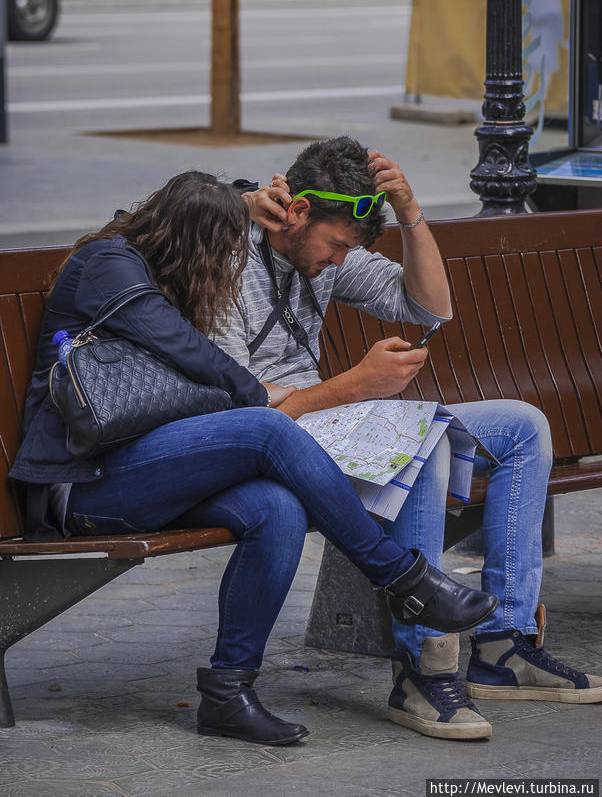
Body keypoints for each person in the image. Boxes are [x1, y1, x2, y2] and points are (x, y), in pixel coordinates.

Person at [9, 170, 498, 747]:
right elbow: (186, 349)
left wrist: (241, 203)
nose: (225, 267)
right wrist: (269, 395)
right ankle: (401, 577)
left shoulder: (155, 253)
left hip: (149, 464)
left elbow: (179, 219)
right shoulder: (109, 267)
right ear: (188, 239)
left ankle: (227, 693)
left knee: (275, 507)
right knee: (266, 429)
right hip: (84, 483)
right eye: (220, 251)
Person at [214, 137, 602, 741]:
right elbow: (245, 411)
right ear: (296, 213)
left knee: (523, 426)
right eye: (336, 245)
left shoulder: (327, 255)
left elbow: (429, 307)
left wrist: (411, 214)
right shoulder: (224, 264)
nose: (341, 261)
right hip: (278, 439)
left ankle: (504, 644)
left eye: (349, 249)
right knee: (421, 442)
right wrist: (356, 385)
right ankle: (424, 669)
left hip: (334, 420)